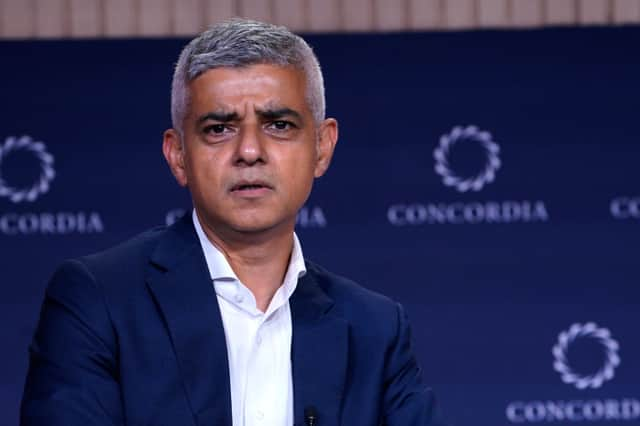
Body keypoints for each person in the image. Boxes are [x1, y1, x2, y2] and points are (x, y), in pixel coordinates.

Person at [21, 18, 444, 426]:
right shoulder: (98, 303)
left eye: (278, 125)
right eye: (219, 128)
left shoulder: (375, 329)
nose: (249, 151)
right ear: (178, 155)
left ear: (322, 147)